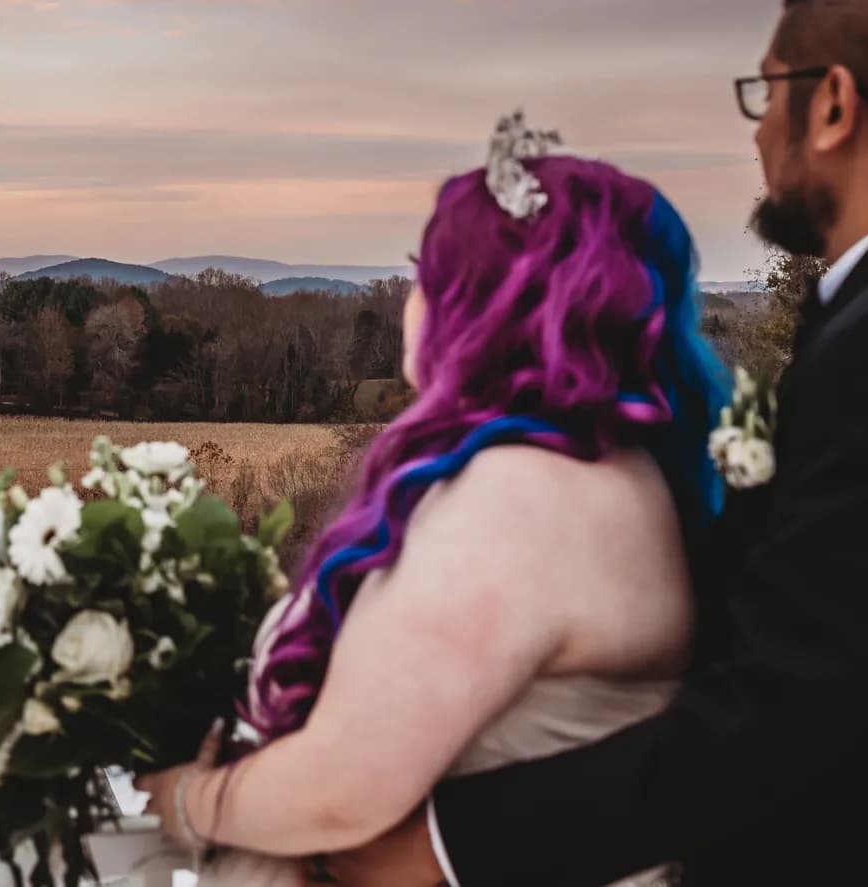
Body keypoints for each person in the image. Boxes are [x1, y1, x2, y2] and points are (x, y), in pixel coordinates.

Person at [322, 0, 868, 887]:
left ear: (834, 103)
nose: (758, 139)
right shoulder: (862, 314)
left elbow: (784, 709)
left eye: (768, 95)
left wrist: (447, 846)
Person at [136, 112, 731, 887]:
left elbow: (343, 787)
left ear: (485, 299)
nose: (411, 298)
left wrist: (189, 800)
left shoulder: (527, 496)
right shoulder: (618, 471)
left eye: (427, 271)